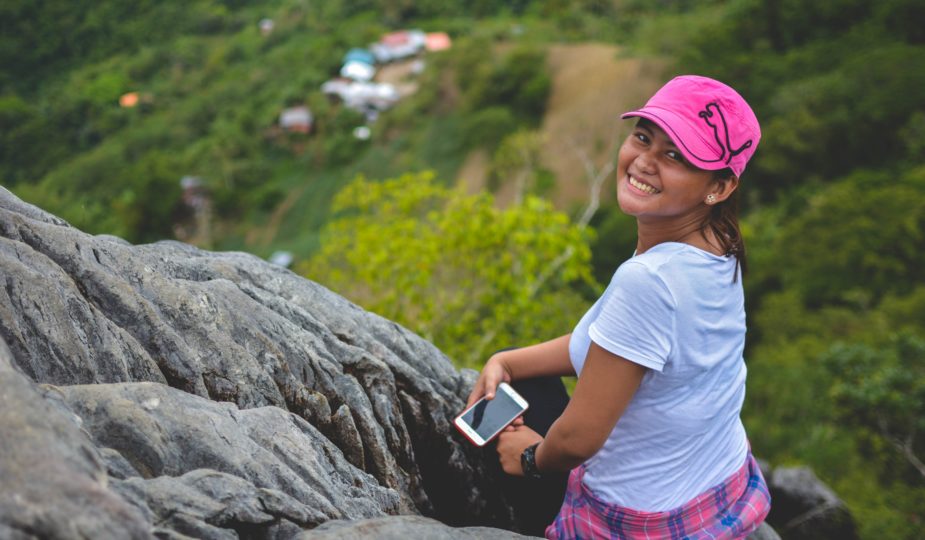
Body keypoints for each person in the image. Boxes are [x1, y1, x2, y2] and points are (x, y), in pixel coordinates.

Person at [466, 75, 771, 539]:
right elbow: (611, 346)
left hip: (640, 522)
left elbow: (578, 440)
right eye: (643, 137)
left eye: (675, 156)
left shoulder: (648, 281)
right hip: (717, 488)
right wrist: (506, 360)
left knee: (487, 434)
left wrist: (529, 457)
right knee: (522, 374)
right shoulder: (720, 247)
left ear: (721, 186)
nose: (645, 162)